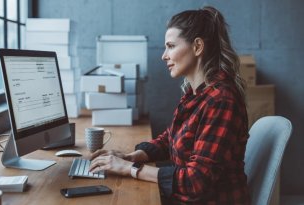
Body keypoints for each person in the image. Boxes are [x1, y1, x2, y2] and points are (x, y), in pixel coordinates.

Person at [89, 6, 250, 205]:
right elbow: (170, 139)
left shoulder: (221, 100)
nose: (164, 55)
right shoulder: (196, 93)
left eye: (171, 46)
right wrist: (132, 157)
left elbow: (195, 183)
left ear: (198, 47)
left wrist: (130, 169)